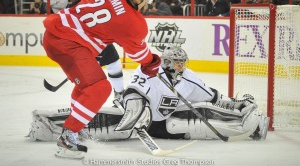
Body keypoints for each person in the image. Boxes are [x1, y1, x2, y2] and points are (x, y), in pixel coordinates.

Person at [28, 45, 269, 143]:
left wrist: (232, 103)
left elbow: (212, 97)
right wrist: (136, 114)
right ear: (167, 62)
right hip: (136, 121)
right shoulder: (149, 71)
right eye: (177, 63)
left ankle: (246, 120)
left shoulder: (189, 77)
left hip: (164, 125)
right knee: (102, 120)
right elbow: (133, 95)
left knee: (196, 116)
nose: (181, 67)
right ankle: (47, 123)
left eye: (182, 63)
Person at [42, 0, 161, 159]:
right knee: (100, 88)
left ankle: (76, 128)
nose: (147, 3)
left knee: (86, 86)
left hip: (55, 33)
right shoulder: (134, 23)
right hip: (69, 44)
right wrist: (152, 62)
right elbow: (138, 54)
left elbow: (86, 0)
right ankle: (68, 137)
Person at [69, 0, 126, 99]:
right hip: (90, 40)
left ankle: (119, 95)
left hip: (94, 40)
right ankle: (118, 95)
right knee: (94, 72)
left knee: (112, 63)